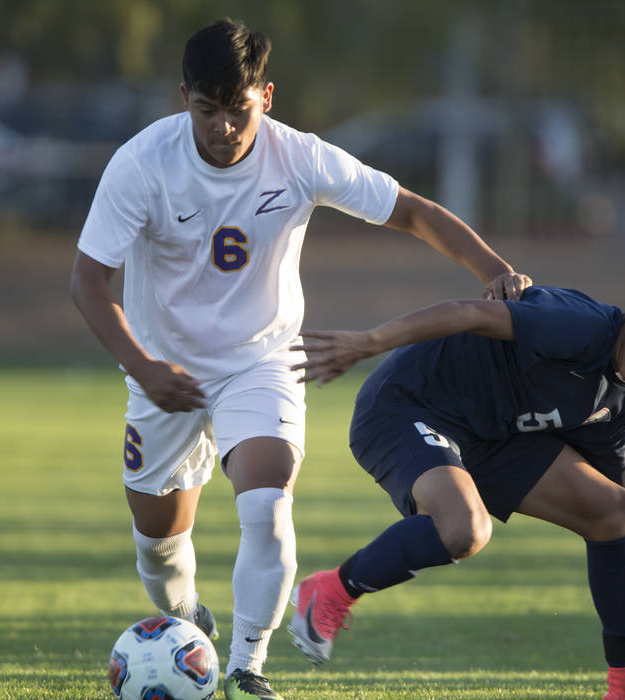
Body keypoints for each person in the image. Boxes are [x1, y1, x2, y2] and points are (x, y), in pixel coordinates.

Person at [70, 18, 530, 700]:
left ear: (268, 95)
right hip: (164, 371)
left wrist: (495, 270)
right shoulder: (142, 164)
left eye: (239, 109)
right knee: (158, 544)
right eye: (207, 110)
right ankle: (185, 613)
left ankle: (246, 667)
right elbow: (87, 282)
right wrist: (143, 367)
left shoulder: (300, 158)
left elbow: (409, 211)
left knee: (267, 502)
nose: (224, 127)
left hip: (262, 359)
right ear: (183, 98)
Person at [287, 271, 625, 700]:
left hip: (491, 436)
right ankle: (329, 590)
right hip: (408, 404)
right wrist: (367, 343)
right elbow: (468, 313)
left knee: (616, 512)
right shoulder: (580, 326)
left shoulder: (620, 402)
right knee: (465, 530)